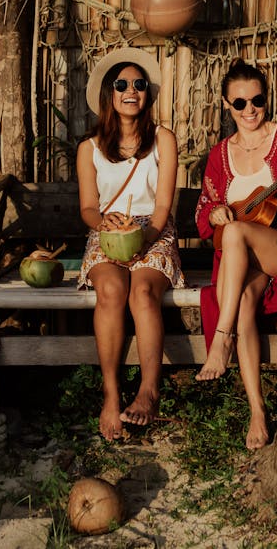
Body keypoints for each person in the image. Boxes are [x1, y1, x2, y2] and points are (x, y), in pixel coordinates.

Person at [195, 57, 277, 450]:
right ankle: (257, 413)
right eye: (240, 103)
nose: (250, 110)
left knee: (235, 231)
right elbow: (204, 214)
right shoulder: (219, 156)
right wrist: (215, 212)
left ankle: (220, 340)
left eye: (257, 100)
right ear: (225, 104)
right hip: (244, 263)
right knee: (246, 298)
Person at [77, 47, 184, 442]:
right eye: (122, 84)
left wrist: (145, 239)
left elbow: (162, 206)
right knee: (110, 289)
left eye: (139, 84)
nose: (131, 90)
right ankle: (110, 395)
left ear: (147, 95)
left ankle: (149, 390)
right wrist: (105, 224)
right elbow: (88, 207)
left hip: (154, 230)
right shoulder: (89, 148)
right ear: (109, 93)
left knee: (141, 291)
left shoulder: (162, 140)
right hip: (108, 229)